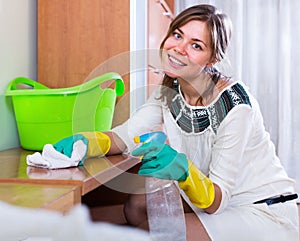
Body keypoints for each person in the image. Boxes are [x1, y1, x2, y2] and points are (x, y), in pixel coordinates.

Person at [35, 4, 299, 241]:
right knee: (135, 208)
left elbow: (217, 201)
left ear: (212, 59)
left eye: (196, 45)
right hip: (218, 200)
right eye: (177, 35)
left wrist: (183, 170)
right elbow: (123, 137)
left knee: (151, 231)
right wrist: (86, 141)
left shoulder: (234, 106)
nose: (179, 49)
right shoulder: (169, 90)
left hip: (260, 207)